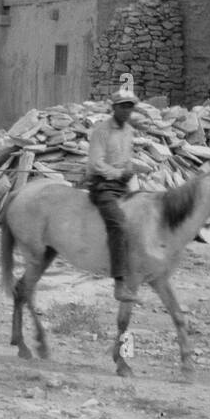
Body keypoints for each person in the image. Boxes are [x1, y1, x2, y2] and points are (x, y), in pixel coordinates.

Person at [85, 88, 142, 301]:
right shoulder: (101, 131)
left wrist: (129, 172)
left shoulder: (129, 131)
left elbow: (127, 158)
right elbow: (96, 163)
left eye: (130, 106)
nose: (127, 110)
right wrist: (119, 173)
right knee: (118, 224)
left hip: (122, 184)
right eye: (123, 106)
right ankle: (119, 284)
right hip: (103, 185)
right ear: (114, 108)